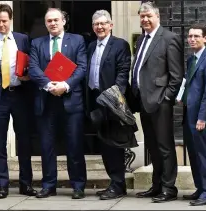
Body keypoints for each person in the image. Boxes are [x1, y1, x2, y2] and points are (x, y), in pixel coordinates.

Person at [0, 3, 36, 199]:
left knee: (24, 142)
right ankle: (2, 185)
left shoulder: (23, 40)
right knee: (0, 143)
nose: (1, 24)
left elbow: (30, 66)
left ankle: (26, 184)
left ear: (10, 20)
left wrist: (28, 78)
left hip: (19, 95)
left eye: (4, 21)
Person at [28, 8, 87, 199]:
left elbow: (81, 67)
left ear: (63, 21)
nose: (53, 23)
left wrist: (65, 85)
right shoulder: (37, 43)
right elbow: (33, 67)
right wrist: (48, 85)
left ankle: (78, 186)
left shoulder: (77, 40)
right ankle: (48, 185)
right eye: (49, 21)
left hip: (71, 101)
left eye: (56, 20)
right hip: (46, 101)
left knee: (74, 145)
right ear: (46, 24)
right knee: (47, 146)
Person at [132, 2, 184, 202]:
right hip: (144, 102)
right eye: (142, 16)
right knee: (152, 147)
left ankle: (169, 188)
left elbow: (176, 76)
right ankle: (157, 185)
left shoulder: (169, 39)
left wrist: (166, 98)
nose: (145, 19)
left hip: (160, 102)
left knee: (164, 146)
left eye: (148, 16)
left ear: (158, 17)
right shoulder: (141, 40)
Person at [84, 10, 131, 200]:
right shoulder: (90, 47)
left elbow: (122, 73)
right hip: (95, 100)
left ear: (111, 25)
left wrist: (114, 98)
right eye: (96, 24)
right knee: (104, 144)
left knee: (114, 145)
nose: (100, 27)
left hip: (112, 101)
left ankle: (118, 184)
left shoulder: (120, 45)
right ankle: (114, 183)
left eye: (103, 23)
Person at [179, 23, 206, 206]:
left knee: (204, 154)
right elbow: (188, 83)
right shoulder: (191, 59)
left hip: (200, 118)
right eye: (190, 36)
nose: (192, 39)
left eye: (196, 36)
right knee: (194, 153)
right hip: (189, 113)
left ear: (205, 38)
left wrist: (202, 118)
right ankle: (201, 188)